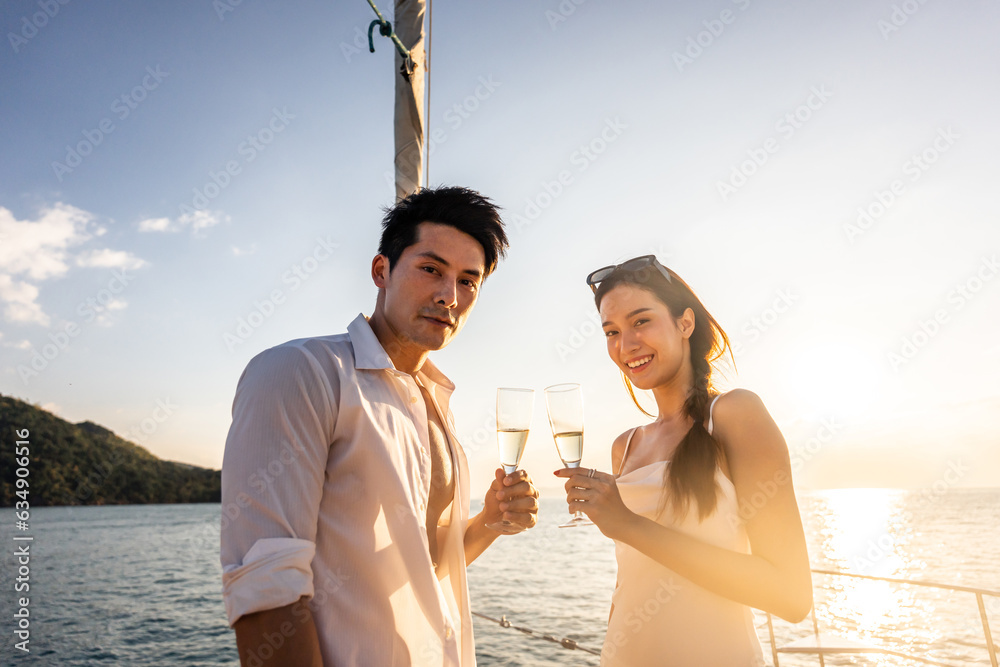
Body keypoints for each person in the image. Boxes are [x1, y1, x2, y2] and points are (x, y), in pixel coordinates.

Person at [220, 186, 540, 667]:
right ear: (381, 271)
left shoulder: (435, 401)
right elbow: (267, 591)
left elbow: (422, 566)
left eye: (468, 281)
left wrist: (489, 523)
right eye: (431, 269)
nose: (448, 296)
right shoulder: (301, 372)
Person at [554, 255, 812, 666]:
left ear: (685, 323)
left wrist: (628, 524)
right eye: (611, 331)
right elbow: (631, 584)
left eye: (641, 322)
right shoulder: (626, 445)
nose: (626, 345)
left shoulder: (734, 415)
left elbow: (792, 596)